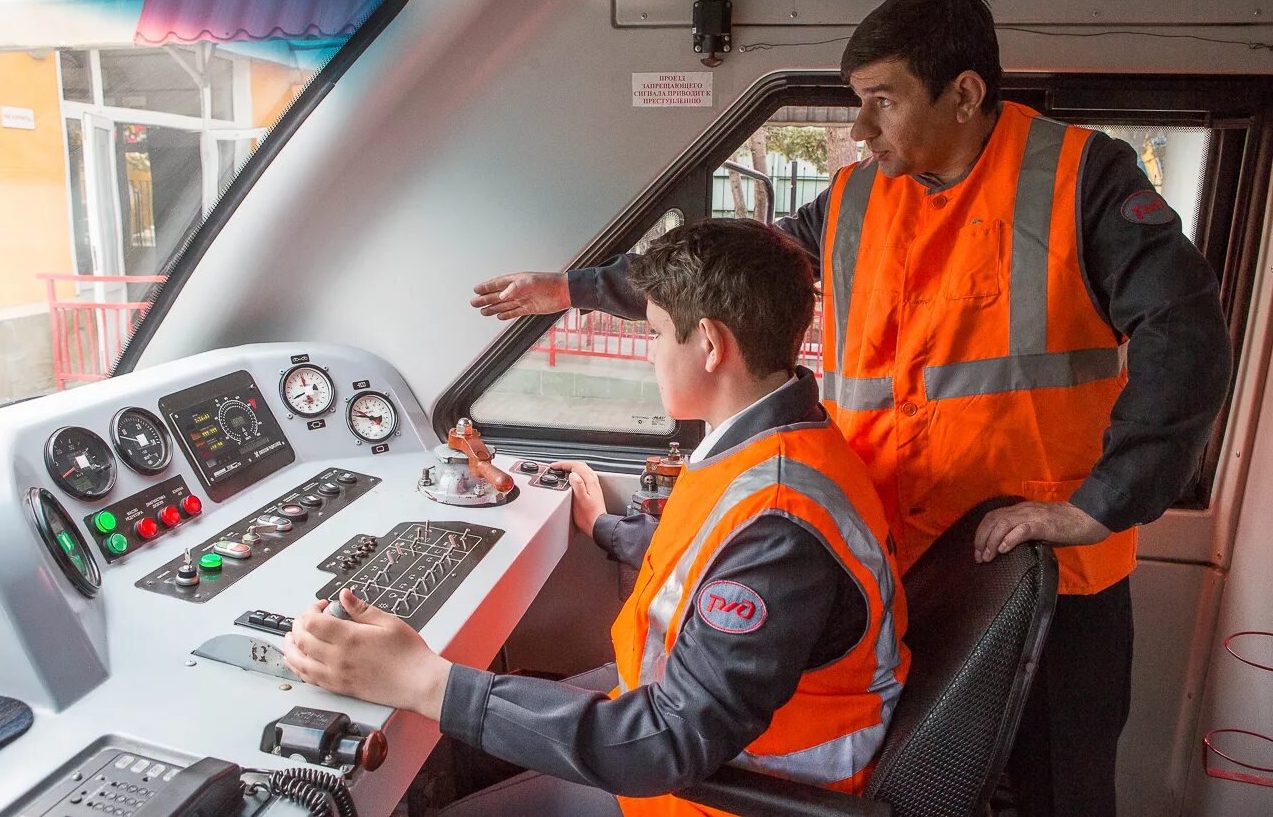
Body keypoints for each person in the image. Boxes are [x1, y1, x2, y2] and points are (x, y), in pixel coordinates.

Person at [469, 0, 1232, 817]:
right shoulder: (856, 200)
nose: (861, 129)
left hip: (1050, 578)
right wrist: (572, 289)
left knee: (1061, 794)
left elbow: (1186, 332)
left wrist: (1102, 504)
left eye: (882, 101)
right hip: (903, 564)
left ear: (966, 94)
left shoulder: (1077, 178)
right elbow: (725, 275)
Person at [286, 218, 910, 815]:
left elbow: (668, 741)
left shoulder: (779, 518)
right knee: (466, 753)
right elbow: (707, 566)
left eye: (656, 335)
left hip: (728, 792)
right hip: (692, 732)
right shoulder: (773, 442)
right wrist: (605, 527)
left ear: (712, 345)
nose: (649, 354)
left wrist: (428, 683)